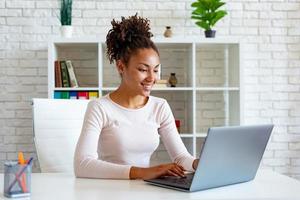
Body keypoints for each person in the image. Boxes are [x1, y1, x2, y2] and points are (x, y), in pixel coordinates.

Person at [74, 14, 199, 180]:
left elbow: (181, 158)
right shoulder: (100, 108)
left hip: (143, 190)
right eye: (143, 69)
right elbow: (82, 165)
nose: (151, 78)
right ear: (121, 66)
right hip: (108, 190)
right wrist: (145, 172)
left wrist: (200, 163)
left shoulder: (159, 106)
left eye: (155, 70)